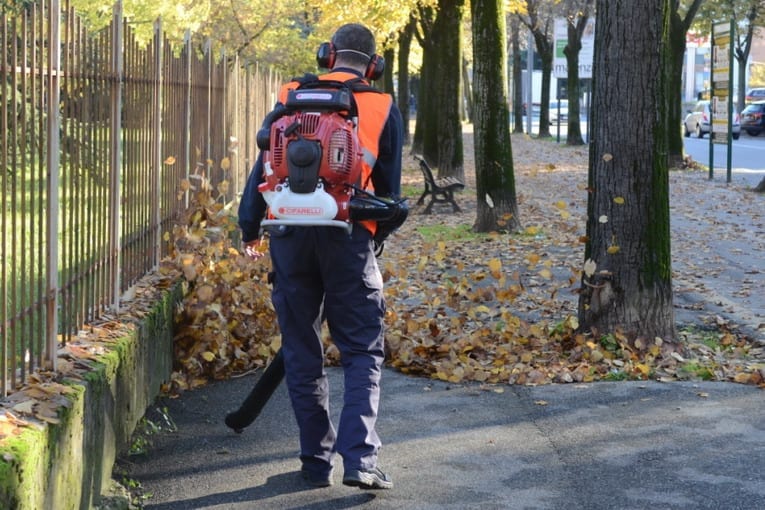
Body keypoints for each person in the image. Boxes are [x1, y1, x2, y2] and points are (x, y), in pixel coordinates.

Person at [237, 23, 403, 490]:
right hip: (347, 235)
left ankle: (314, 462)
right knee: (361, 349)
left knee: (301, 349)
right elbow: (389, 191)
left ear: (328, 54)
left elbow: (261, 170)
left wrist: (250, 227)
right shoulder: (381, 105)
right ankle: (360, 461)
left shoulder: (290, 95)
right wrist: (375, 234)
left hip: (288, 233)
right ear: (374, 66)